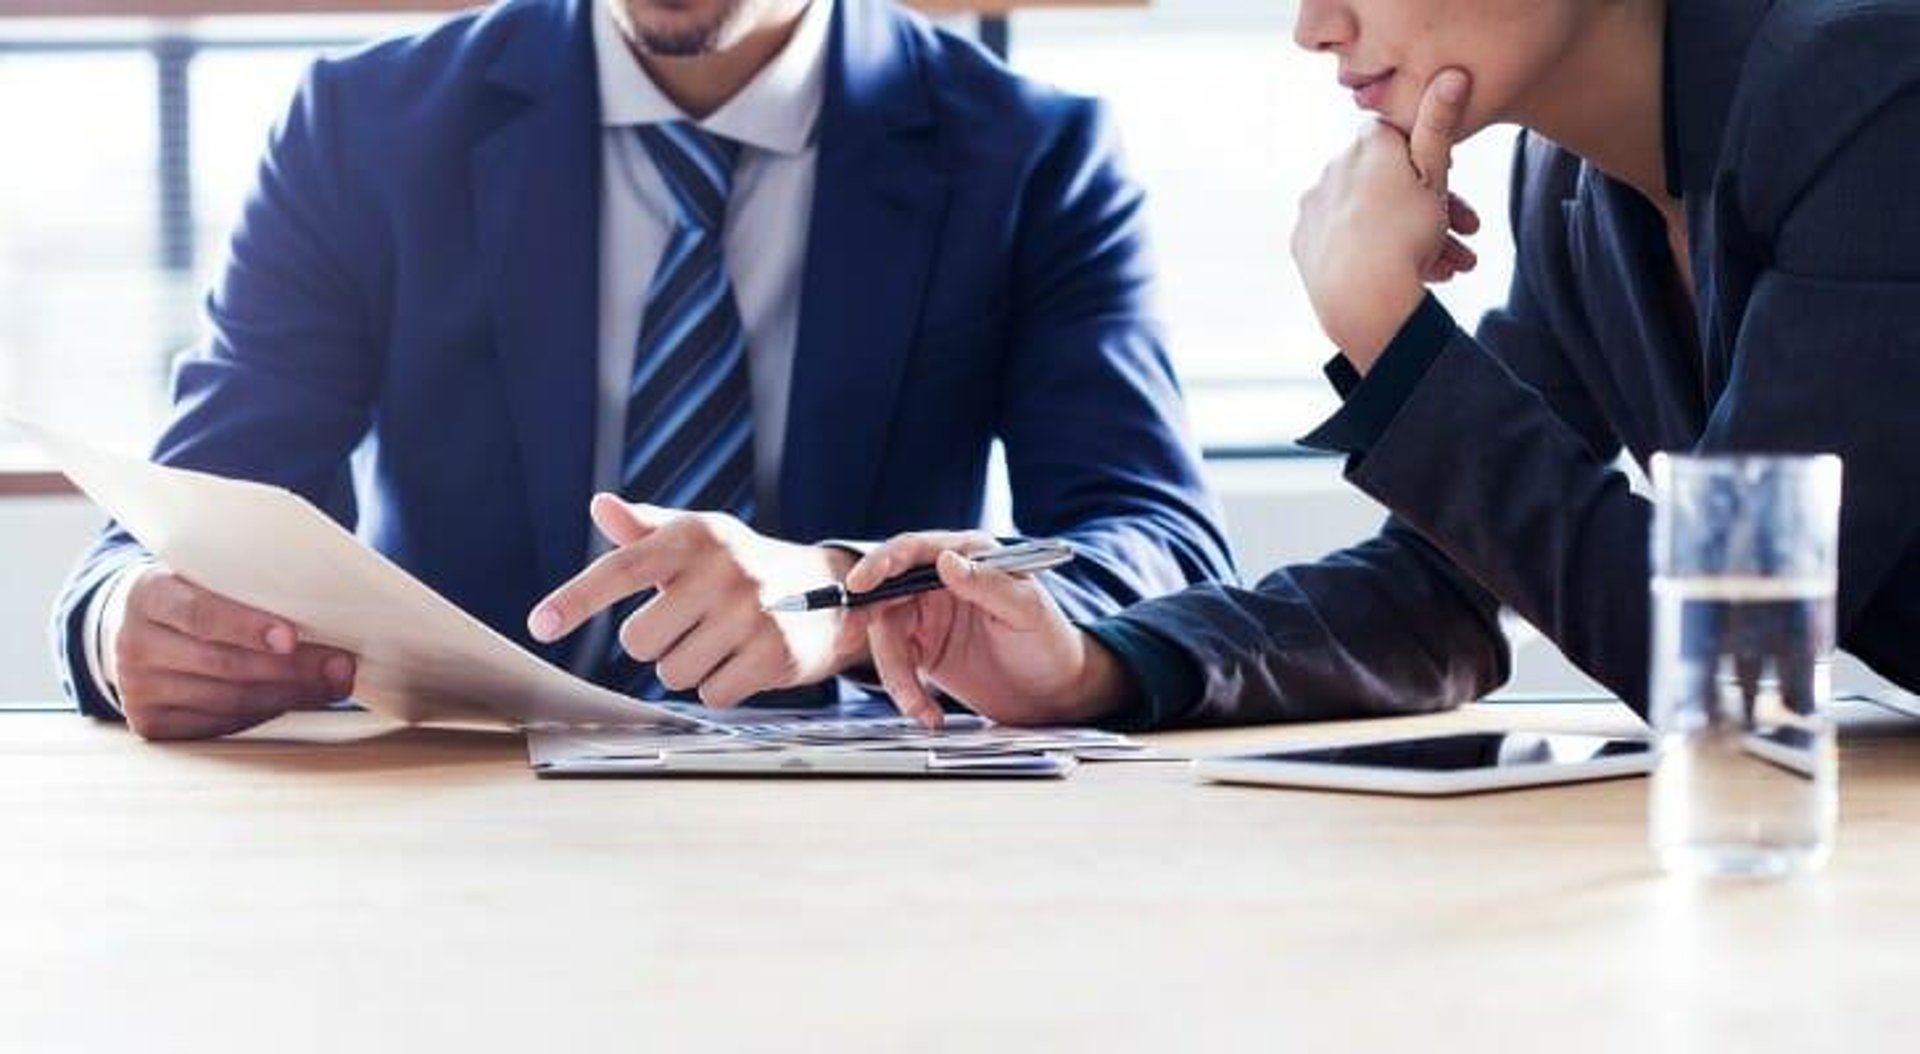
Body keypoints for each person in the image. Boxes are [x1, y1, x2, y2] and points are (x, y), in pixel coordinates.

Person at [50, 0, 1236, 740]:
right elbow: (202, 493)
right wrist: (120, 627)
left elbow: (1157, 544)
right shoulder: (363, 124)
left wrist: (854, 596)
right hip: (452, 814)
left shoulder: (1033, 154)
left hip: (867, 809)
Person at [845, 0, 1920, 729]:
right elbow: (1440, 590)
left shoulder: (1877, 88)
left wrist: (1394, 338)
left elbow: (1734, 659)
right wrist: (1093, 663)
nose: (1315, 26)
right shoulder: (1574, 193)